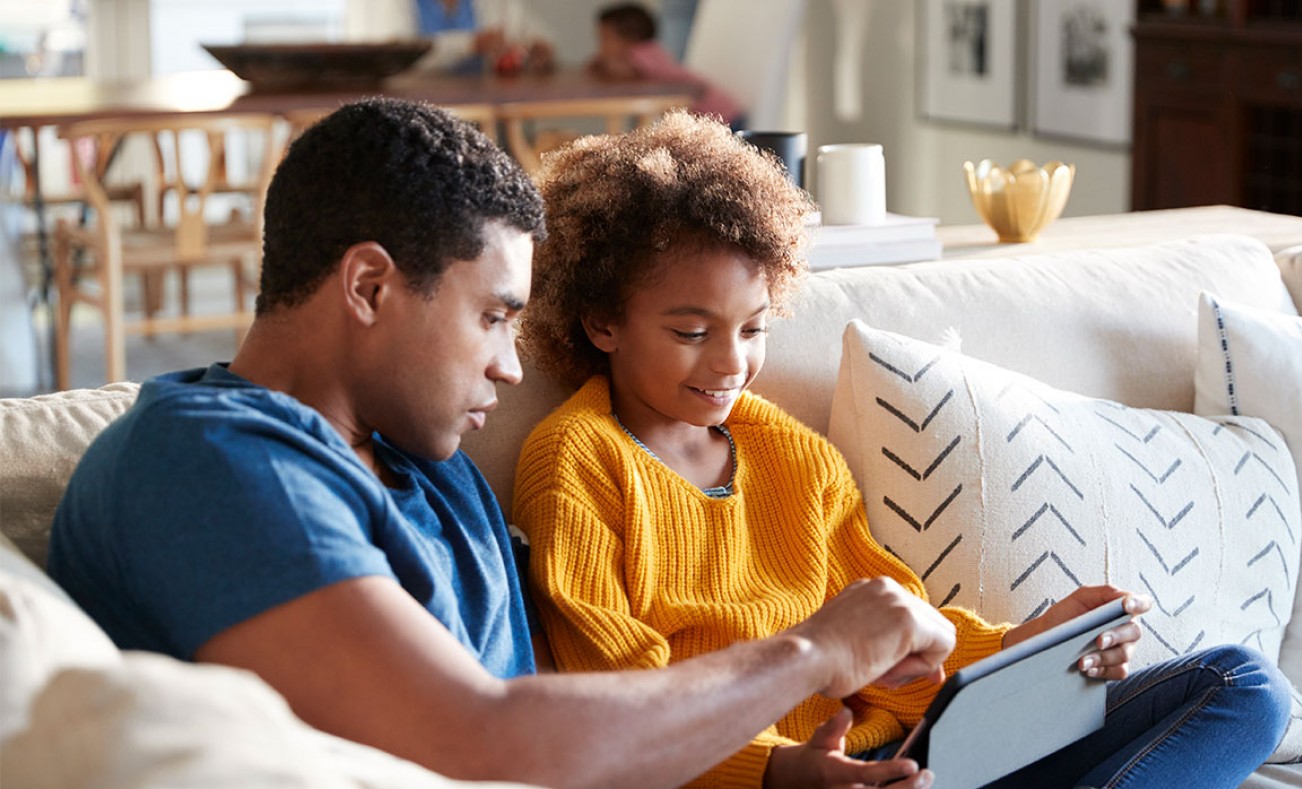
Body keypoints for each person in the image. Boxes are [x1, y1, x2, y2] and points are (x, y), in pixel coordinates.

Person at [46, 97, 958, 789]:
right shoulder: (210, 462)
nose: (512, 369)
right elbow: (477, 738)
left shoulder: (429, 468)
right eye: (492, 317)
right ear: (368, 286)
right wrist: (815, 652)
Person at [513, 111, 1294, 788]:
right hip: (762, 776)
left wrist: (1028, 647)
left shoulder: (792, 452)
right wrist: (781, 770)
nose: (730, 363)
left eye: (753, 329)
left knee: (1243, 685)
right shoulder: (575, 462)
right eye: (691, 333)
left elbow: (904, 638)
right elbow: (618, 707)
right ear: (601, 321)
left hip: (912, 757)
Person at [589, 2, 745, 129]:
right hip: (717, 117)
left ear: (630, 38)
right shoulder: (650, 52)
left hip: (720, 118)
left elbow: (622, 70)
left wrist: (602, 62)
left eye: (605, 38)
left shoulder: (643, 53)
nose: (601, 46)